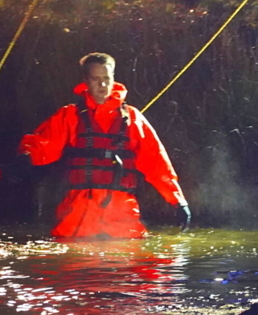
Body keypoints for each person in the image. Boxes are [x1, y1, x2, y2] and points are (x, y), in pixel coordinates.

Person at [19, 52, 190, 239]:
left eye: (106, 79)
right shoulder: (70, 115)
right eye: (96, 79)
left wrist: (178, 201)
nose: (102, 85)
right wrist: (24, 159)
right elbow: (43, 144)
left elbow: (156, 161)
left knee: (131, 261)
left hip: (121, 212)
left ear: (113, 79)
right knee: (72, 261)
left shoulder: (132, 117)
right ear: (86, 80)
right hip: (79, 211)